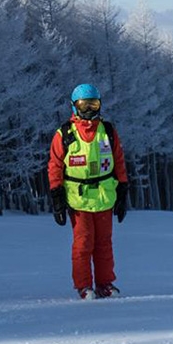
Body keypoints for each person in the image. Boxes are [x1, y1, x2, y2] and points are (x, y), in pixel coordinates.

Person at [48, 84, 130, 299]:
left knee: (104, 244)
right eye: (84, 105)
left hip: (104, 197)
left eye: (93, 104)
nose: (89, 110)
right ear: (74, 107)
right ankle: (84, 286)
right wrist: (56, 196)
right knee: (83, 244)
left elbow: (119, 160)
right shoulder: (64, 134)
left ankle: (105, 283)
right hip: (78, 199)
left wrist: (123, 189)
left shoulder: (108, 131)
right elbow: (55, 166)